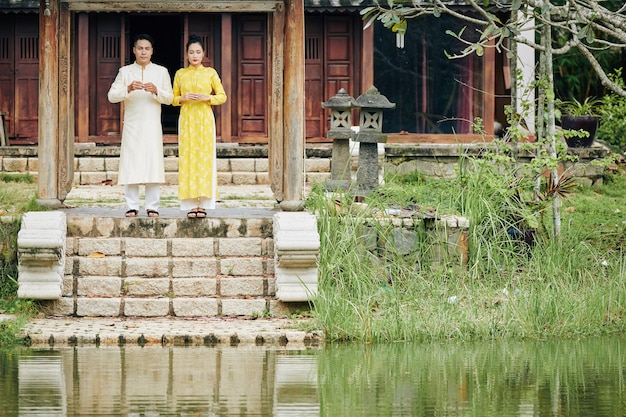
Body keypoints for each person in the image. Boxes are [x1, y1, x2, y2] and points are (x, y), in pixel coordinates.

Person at [107, 33, 173, 218]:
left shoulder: (161, 72)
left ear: (152, 51)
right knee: (131, 163)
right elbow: (111, 96)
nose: (143, 52)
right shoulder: (125, 72)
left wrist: (156, 90)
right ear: (134, 50)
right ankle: (132, 205)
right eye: (140, 48)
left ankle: (152, 206)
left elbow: (170, 98)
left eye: (147, 48)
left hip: (152, 124)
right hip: (132, 124)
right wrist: (127, 88)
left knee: (153, 163)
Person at [172, 34, 227, 218]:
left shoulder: (210, 73)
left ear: (203, 53)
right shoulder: (180, 74)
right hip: (187, 120)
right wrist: (182, 98)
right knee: (188, 158)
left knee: (204, 158)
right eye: (191, 52)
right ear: (186, 54)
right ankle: (190, 203)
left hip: (205, 119)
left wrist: (207, 98)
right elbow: (172, 99)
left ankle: (203, 204)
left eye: (198, 52)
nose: (194, 55)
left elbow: (222, 96)